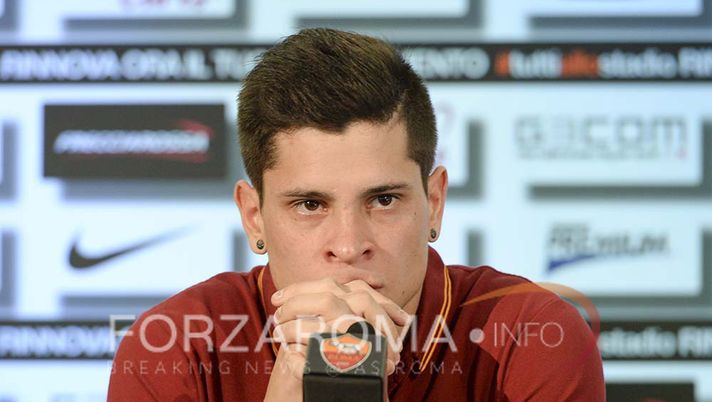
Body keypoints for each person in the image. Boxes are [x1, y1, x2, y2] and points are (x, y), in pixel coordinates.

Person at [108, 28, 605, 401]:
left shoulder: (533, 337)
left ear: (434, 202)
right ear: (254, 217)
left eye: (383, 200)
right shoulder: (174, 346)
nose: (348, 246)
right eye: (310, 205)